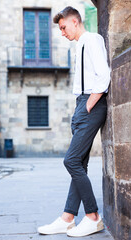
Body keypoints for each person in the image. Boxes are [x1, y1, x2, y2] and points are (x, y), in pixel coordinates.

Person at [37, 6, 111, 237]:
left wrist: (89, 104)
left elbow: (104, 75)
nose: (62, 32)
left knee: (71, 161)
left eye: (63, 27)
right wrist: (81, 105)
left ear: (75, 21)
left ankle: (92, 216)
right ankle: (68, 218)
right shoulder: (81, 44)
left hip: (91, 104)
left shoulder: (92, 39)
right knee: (80, 163)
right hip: (82, 103)